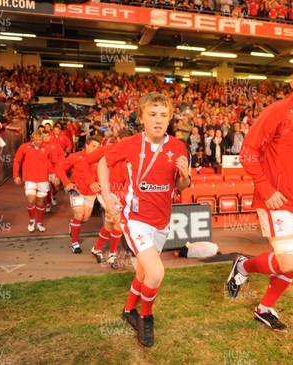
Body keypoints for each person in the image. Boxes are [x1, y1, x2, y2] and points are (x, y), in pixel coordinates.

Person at [225, 64, 293, 331]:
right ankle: (243, 267)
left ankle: (264, 309)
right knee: (286, 261)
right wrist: (266, 188)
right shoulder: (277, 111)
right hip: (273, 198)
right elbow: (248, 152)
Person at [97, 92, 190, 347]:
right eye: (152, 115)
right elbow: (103, 164)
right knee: (157, 272)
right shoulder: (130, 143)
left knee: (143, 270)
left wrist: (184, 174)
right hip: (134, 218)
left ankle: (128, 311)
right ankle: (145, 317)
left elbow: (183, 185)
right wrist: (107, 195)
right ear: (142, 118)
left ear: (170, 117)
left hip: (162, 221)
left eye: (163, 115)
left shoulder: (179, 147)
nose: (158, 120)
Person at [85, 128, 135, 269]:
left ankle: (97, 248)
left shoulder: (133, 154)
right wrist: (91, 181)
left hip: (122, 192)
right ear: (118, 139)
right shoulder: (107, 150)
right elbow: (86, 162)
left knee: (110, 223)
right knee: (118, 220)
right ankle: (113, 254)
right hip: (106, 191)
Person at [56, 136, 102, 253]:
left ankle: (73, 224)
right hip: (77, 190)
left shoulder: (100, 159)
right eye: (93, 146)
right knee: (79, 214)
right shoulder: (75, 156)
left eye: (98, 147)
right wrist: (66, 183)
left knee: (85, 218)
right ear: (86, 145)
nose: (96, 149)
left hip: (91, 192)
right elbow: (60, 169)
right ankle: (75, 244)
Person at [13, 131, 58, 233]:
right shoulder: (24, 147)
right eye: (36, 139)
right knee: (31, 199)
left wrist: (56, 176)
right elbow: (17, 161)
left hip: (43, 179)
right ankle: (32, 220)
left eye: (40, 139)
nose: (38, 141)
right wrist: (15, 175)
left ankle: (39, 222)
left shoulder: (47, 148)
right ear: (32, 138)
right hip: (29, 178)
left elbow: (55, 163)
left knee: (41, 201)